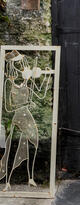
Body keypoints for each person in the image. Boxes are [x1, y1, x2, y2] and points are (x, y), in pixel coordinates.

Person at [0, 51, 51, 192]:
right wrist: (24, 105)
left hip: (27, 116)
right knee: (12, 149)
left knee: (34, 143)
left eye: (21, 62)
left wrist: (46, 75)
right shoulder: (8, 83)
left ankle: (30, 178)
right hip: (18, 117)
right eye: (17, 62)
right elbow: (7, 107)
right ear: (11, 65)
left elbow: (40, 94)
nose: (21, 65)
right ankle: (8, 182)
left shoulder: (27, 81)